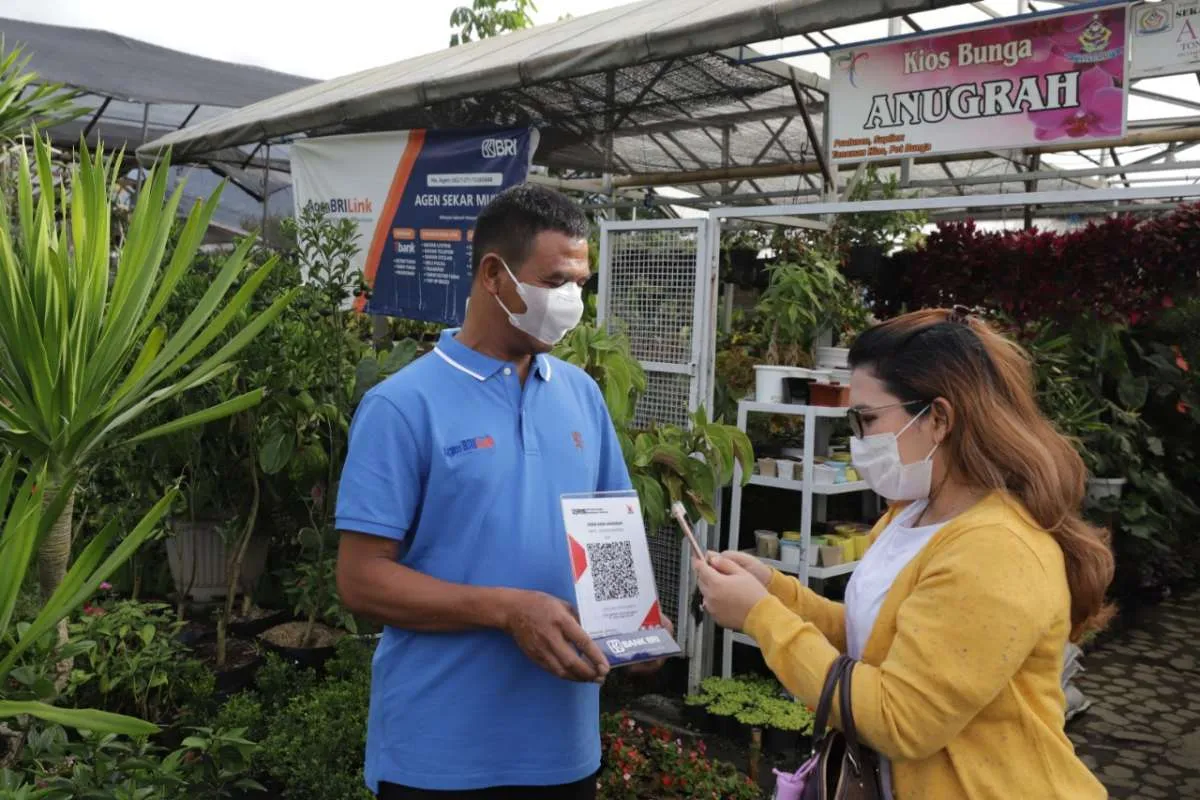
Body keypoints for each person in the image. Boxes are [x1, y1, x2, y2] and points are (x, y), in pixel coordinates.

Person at [694, 307, 1113, 799]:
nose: (857, 438)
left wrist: (763, 618)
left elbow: (898, 718)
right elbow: (872, 638)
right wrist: (775, 591)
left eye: (867, 418)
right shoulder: (909, 515)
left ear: (938, 418)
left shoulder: (996, 550)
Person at [335, 184, 668, 799]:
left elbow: (611, 543)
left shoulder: (581, 396)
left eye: (580, 285)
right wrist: (507, 610)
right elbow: (361, 581)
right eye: (556, 281)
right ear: (494, 275)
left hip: (563, 753)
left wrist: (632, 632)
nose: (571, 301)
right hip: (437, 755)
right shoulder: (402, 406)